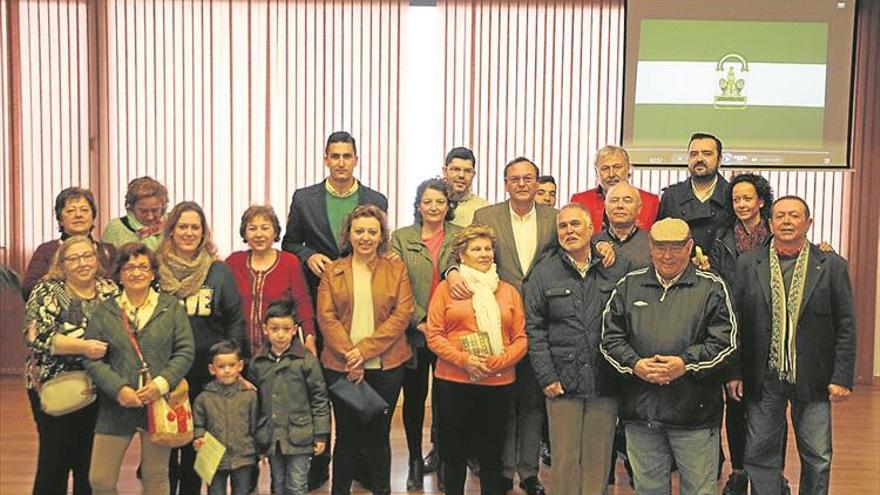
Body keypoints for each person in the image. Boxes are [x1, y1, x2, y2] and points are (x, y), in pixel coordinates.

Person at [729, 196, 856, 495]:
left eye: (794, 216)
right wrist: (734, 372)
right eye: (780, 216)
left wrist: (841, 377)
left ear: (808, 223)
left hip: (813, 375)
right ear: (770, 223)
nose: (786, 221)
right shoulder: (748, 264)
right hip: (763, 375)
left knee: (817, 455)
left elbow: (847, 324)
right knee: (760, 453)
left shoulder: (831, 265)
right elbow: (736, 323)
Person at [280, 132, 387, 489]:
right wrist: (308, 256)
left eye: (347, 155)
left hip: (366, 304)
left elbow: (380, 244)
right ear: (325, 158)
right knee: (326, 384)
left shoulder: (375, 199)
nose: (341, 161)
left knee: (363, 380)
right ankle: (320, 460)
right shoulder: (305, 198)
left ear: (357, 158)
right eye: (335, 156)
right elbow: (290, 242)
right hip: (323, 301)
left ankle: (359, 462)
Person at [601, 218, 737, 495]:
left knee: (699, 489)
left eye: (676, 247)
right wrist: (635, 364)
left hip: (695, 414)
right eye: (660, 247)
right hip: (641, 412)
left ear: (690, 247)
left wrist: (685, 363)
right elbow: (609, 339)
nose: (667, 255)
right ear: (650, 247)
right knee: (648, 489)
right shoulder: (629, 286)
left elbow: (725, 342)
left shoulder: (712, 287)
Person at [524, 204, 630, 495]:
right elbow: (534, 328)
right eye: (563, 226)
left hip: (604, 379)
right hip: (561, 380)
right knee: (565, 459)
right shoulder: (544, 274)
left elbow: (629, 322)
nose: (569, 231)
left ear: (591, 230)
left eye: (575, 225)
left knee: (599, 458)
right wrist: (546, 376)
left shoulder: (617, 268)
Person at [470, 156, 556, 495]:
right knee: (504, 400)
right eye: (514, 178)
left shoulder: (555, 218)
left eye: (528, 178)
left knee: (533, 403)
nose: (521, 184)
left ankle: (529, 473)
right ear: (505, 183)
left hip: (541, 321)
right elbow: (460, 253)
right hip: (499, 322)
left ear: (537, 183)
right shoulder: (485, 217)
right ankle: (504, 470)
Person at [82, 242, 195, 495]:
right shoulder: (105, 310)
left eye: (143, 266)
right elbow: (91, 358)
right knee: (100, 480)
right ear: (119, 274)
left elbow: (185, 352)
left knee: (155, 477)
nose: (136, 272)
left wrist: (161, 384)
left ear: (153, 273)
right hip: (116, 405)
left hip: (159, 404)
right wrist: (118, 388)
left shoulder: (171, 308)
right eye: (129, 267)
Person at [316, 205, 413, 495]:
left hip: (386, 368)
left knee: (378, 438)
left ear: (382, 235)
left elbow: (402, 314)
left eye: (373, 231)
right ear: (349, 234)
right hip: (340, 366)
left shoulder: (395, 268)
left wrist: (364, 352)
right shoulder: (334, 271)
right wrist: (351, 355)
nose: (366, 237)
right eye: (360, 231)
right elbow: (326, 316)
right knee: (346, 437)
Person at [426, 224, 527, 495]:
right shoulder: (447, 290)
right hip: (454, 381)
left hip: (498, 382)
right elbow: (434, 336)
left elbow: (521, 339)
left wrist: (496, 363)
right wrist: (465, 360)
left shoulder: (508, 292)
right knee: (454, 453)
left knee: (491, 455)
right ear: (462, 255)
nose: (484, 254)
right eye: (476, 249)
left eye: (488, 248)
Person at [156, 201, 245, 495]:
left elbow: (234, 320)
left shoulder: (217, 271)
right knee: (166, 443)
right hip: (166, 372)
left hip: (206, 373)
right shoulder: (155, 270)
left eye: (195, 227)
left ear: (204, 232)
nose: (189, 232)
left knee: (198, 441)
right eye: (182, 226)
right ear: (171, 231)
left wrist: (231, 364)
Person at [23, 235, 119, 495]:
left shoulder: (110, 290)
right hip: (55, 387)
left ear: (96, 259)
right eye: (73, 258)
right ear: (61, 263)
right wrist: (85, 347)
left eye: (87, 256)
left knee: (88, 464)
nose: (82, 263)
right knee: (54, 462)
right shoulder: (49, 290)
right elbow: (35, 335)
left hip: (100, 389)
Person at [390, 178, 462, 491]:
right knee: (415, 400)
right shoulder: (401, 238)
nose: (433, 207)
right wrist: (419, 320)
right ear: (418, 206)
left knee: (448, 402)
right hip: (414, 334)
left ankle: (445, 459)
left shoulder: (460, 236)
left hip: (450, 333)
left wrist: (438, 325)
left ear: (449, 206)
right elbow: (397, 286)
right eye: (427, 202)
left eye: (440, 202)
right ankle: (415, 461)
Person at [248, 300, 330, 495]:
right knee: (278, 484)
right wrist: (257, 436)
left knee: (297, 484)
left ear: (294, 330)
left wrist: (320, 434)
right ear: (265, 329)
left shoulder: (306, 360)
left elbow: (319, 398)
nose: (281, 334)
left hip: (301, 435)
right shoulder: (258, 363)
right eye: (275, 329)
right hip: (272, 436)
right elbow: (255, 403)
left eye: (286, 328)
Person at [226, 205, 316, 358]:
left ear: (275, 232)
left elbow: (303, 303)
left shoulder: (290, 262)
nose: (259, 234)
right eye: (252, 228)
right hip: (239, 354)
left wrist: (309, 338)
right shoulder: (234, 262)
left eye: (265, 228)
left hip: (280, 353)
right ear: (244, 233)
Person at [22, 187, 116, 300]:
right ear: (60, 218)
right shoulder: (46, 250)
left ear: (93, 216)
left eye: (84, 210)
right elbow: (28, 290)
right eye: (70, 211)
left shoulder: (108, 251)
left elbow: (120, 288)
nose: (78, 215)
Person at [192, 340, 258, 495]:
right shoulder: (203, 398)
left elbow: (255, 424)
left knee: (242, 491)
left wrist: (258, 450)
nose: (227, 370)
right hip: (214, 459)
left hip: (244, 456)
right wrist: (199, 437)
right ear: (212, 369)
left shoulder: (249, 396)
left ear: (240, 366)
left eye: (232, 365)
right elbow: (198, 424)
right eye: (221, 367)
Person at [657, 133, 730, 254]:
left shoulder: (731, 195)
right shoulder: (671, 196)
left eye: (707, 153)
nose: (699, 159)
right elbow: (660, 239)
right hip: (680, 268)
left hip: (722, 269)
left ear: (719, 160)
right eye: (693, 154)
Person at [570, 145, 659, 232]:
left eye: (617, 167)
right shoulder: (580, 201)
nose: (611, 174)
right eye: (605, 169)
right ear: (596, 172)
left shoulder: (651, 201)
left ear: (628, 168)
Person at [592, 182, 652, 268]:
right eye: (614, 200)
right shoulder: (592, 243)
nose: (620, 206)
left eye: (627, 201)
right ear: (605, 207)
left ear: (639, 208)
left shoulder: (651, 244)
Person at [102, 176, 169, 251]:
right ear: (132, 207)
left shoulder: (172, 224)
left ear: (163, 207)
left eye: (155, 210)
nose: (150, 217)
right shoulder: (116, 228)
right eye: (143, 211)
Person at [443, 147, 488, 227]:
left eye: (467, 171)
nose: (461, 175)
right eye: (456, 169)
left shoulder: (484, 209)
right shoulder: (434, 204)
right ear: (445, 171)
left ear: (473, 175)